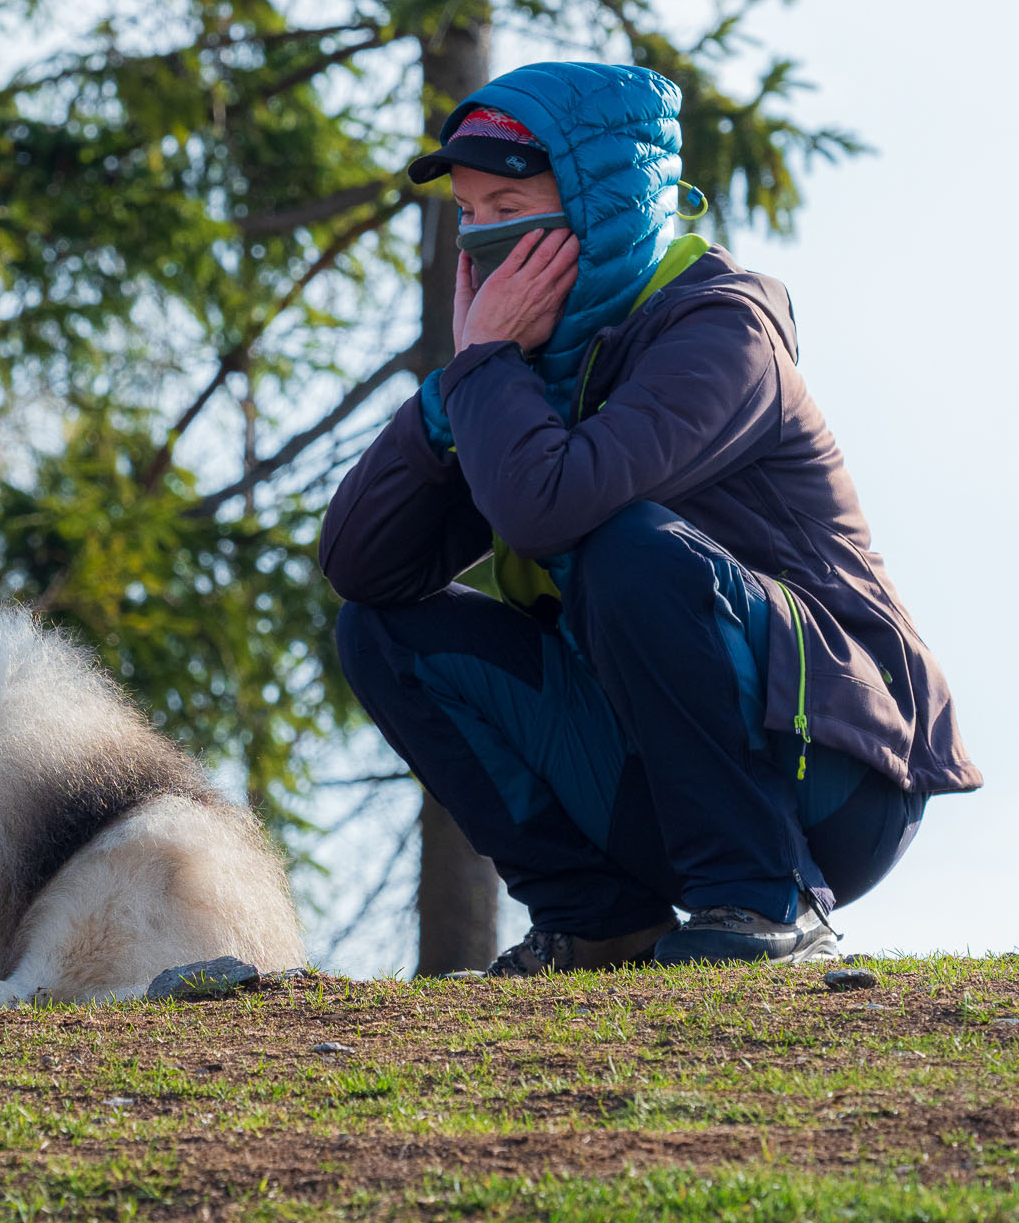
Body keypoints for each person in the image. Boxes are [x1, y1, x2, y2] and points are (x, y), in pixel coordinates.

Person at [320, 61, 979, 972]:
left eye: (509, 211)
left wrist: (484, 370)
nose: (478, 245)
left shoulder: (720, 333)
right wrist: (451, 400)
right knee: (379, 633)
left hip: (833, 777)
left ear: (603, 209)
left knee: (626, 546)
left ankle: (763, 902)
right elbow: (363, 566)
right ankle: (598, 920)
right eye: (467, 215)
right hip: (655, 775)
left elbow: (550, 510)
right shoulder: (523, 372)